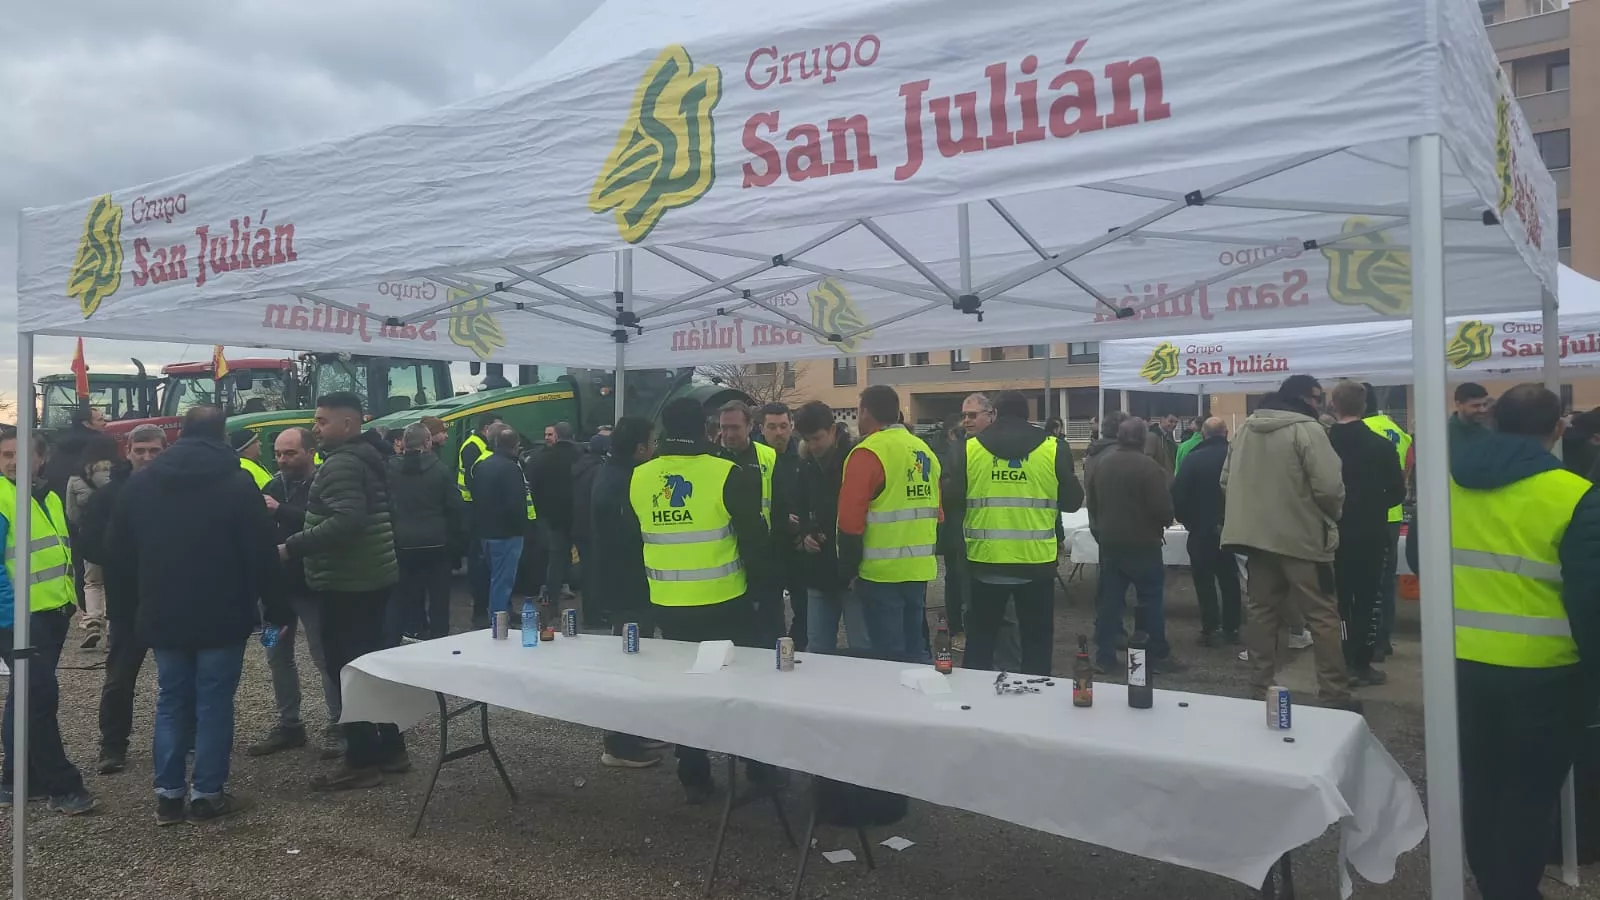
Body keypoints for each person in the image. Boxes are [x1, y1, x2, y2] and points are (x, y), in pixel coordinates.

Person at [1450, 384, 1600, 900]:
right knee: (1530, 795)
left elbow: (1425, 561)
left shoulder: (1450, 481)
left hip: (1463, 664)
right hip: (1546, 675)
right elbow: (1592, 599)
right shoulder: (1574, 494)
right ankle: (1512, 891)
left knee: (1482, 782)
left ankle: (1492, 882)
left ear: (1493, 421)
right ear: (1558, 427)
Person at [109, 406, 286, 823]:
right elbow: (261, 553)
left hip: (163, 609)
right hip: (222, 611)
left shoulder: (142, 483)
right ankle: (207, 792)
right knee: (213, 702)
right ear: (223, 434)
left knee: (171, 700)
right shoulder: (238, 482)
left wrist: (145, 589)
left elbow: (116, 550)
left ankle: (168, 794)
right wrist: (276, 607)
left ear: (180, 434)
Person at [627, 397, 771, 803]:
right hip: (726, 600)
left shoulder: (639, 477)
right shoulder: (729, 472)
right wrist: (764, 594)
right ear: (707, 429)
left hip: (668, 602)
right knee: (740, 687)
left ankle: (693, 774)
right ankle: (757, 766)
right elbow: (755, 540)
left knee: (685, 690)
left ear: (661, 433)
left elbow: (634, 539)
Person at [283, 393, 406, 791]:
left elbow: (347, 521)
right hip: (371, 575)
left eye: (321, 421)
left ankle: (360, 760)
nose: (315, 428)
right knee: (369, 666)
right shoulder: (368, 457)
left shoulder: (342, 464)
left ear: (348, 425)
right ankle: (390, 747)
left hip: (348, 581)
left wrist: (292, 546)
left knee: (347, 670)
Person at [1221, 375, 1356, 710]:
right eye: (1316, 397)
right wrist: (1330, 515)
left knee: (1262, 614)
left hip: (1257, 539)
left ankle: (1260, 687)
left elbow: (1226, 480)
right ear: (1302, 398)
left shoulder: (1244, 431)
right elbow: (1328, 487)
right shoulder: (1309, 430)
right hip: (1303, 539)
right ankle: (1333, 694)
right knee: (1322, 616)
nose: (1321, 403)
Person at [946, 391, 1081, 675]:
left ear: (995, 412)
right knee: (1036, 644)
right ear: (1027, 414)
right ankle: (1035, 702)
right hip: (1037, 564)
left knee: (981, 643)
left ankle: (975, 704)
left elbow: (953, 499)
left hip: (985, 561)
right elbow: (1072, 502)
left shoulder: (969, 449)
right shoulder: (1053, 447)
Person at [0, 427, 96, 814]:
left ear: (40, 459)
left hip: (51, 614)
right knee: (39, 698)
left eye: (21, 454)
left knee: (23, 697)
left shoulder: (49, 496)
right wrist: (11, 621)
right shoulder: (3, 499)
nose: (13, 461)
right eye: (6, 455)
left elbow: (58, 552)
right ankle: (63, 785)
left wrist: (71, 601)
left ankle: (15, 779)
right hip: (19, 620)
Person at [249, 427, 342, 760]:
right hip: (275, 595)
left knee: (323, 656)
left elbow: (329, 527)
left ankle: (338, 724)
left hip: (312, 589)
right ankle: (289, 725)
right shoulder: (273, 485)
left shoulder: (322, 486)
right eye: (278, 453)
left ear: (310, 451)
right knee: (275, 655)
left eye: (290, 453)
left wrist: (280, 511)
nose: (282, 459)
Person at [81, 424, 165, 774]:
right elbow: (86, 543)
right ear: (127, 450)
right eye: (140, 450)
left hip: (169, 598)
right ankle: (113, 746)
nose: (146, 457)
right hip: (127, 600)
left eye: (154, 451)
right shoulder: (108, 496)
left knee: (178, 677)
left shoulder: (176, 491)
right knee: (119, 678)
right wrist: (128, 558)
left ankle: (186, 739)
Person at [839, 386, 941, 662]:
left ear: (865, 412)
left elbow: (849, 522)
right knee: (915, 647)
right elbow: (937, 513)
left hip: (881, 573)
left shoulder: (867, 452)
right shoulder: (924, 450)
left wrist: (846, 570)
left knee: (888, 655)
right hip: (918, 570)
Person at [589, 417, 663, 769]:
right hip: (625, 586)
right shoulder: (622, 481)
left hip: (627, 584)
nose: (656, 447)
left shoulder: (613, 473)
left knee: (640, 659)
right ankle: (618, 743)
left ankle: (634, 730)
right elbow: (627, 536)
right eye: (653, 441)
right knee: (627, 661)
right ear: (640, 449)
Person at [1326, 382, 1406, 687]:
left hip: (1333, 531)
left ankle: (1343, 656)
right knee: (1369, 598)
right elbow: (1398, 491)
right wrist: (1372, 505)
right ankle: (1361, 661)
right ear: (1364, 407)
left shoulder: (1324, 443)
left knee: (1339, 598)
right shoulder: (1381, 445)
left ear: (1334, 405)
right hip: (1372, 531)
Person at [1085, 417, 1180, 673]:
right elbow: (1162, 509)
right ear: (1142, 439)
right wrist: (1166, 520)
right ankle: (1154, 654)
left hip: (1111, 543)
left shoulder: (1102, 464)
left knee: (1110, 602)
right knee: (1149, 600)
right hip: (1143, 543)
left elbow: (1091, 502)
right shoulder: (1149, 468)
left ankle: (1104, 658)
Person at [950, 393, 1021, 667]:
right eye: (964, 415)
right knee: (974, 612)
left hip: (1008, 543)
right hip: (971, 544)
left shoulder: (1007, 447)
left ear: (991, 415)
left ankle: (1009, 669)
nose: (967, 421)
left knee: (1007, 615)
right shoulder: (962, 449)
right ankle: (979, 670)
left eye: (973, 415)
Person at [792, 402, 868, 652]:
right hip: (818, 571)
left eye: (817, 438)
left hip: (854, 573)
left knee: (862, 647)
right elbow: (801, 508)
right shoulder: (806, 465)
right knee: (817, 647)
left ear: (833, 430)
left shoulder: (857, 460)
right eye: (807, 439)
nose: (813, 446)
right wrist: (805, 536)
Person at [386, 423, 465, 641]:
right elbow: (455, 507)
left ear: (404, 443)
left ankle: (413, 630)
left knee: (408, 591)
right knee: (439, 595)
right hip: (437, 543)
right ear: (427, 442)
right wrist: (455, 540)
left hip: (402, 542)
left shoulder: (390, 469)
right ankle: (440, 635)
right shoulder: (441, 470)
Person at [1355, 384, 1412, 669]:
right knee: (1386, 581)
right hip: (1393, 511)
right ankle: (1383, 639)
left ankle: (1367, 641)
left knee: (1364, 581)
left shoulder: (1359, 430)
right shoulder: (1394, 428)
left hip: (1367, 513)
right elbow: (1408, 465)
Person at [1171, 418, 1242, 646]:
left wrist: (1189, 521)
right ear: (1226, 432)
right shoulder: (1237, 457)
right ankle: (1232, 627)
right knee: (1230, 579)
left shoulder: (1193, 459)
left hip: (1201, 530)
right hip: (1233, 529)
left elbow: (1178, 495)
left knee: (1204, 580)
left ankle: (1210, 628)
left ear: (1203, 434)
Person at [719, 402, 784, 646]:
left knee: (769, 627)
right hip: (726, 556)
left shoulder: (766, 456)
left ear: (750, 426)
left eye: (735, 427)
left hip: (764, 555)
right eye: (724, 428)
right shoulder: (714, 457)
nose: (728, 434)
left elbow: (780, 503)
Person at [759, 402, 808, 650]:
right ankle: (774, 651)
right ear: (761, 428)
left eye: (783, 426)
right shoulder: (754, 458)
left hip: (798, 546)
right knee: (769, 609)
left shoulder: (803, 455)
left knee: (805, 608)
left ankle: (796, 649)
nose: (779, 432)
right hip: (768, 548)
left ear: (791, 426)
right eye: (772, 427)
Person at [65, 432, 118, 649]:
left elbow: (71, 513)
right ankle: (114, 629)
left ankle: (93, 620)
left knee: (92, 582)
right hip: (118, 536)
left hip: (91, 536)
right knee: (118, 582)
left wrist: (83, 528)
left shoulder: (76, 478)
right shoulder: (120, 474)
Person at [475, 427, 532, 620]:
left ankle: (505, 611)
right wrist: (523, 528)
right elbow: (515, 504)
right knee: (503, 580)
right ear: (516, 446)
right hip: (507, 534)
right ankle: (498, 621)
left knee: (495, 576)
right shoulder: (511, 469)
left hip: (486, 532)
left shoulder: (483, 465)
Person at [458, 414, 502, 629]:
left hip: (481, 510)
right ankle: (479, 611)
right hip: (474, 510)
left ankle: (496, 608)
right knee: (478, 562)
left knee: (490, 563)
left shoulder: (483, 445)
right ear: (487, 427)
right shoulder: (473, 446)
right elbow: (472, 479)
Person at [530, 421, 580, 605]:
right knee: (587, 559)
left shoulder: (542, 460)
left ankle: (551, 600)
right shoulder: (581, 457)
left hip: (555, 518)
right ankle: (593, 610)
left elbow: (534, 488)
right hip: (579, 517)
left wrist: (544, 511)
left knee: (556, 559)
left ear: (557, 436)